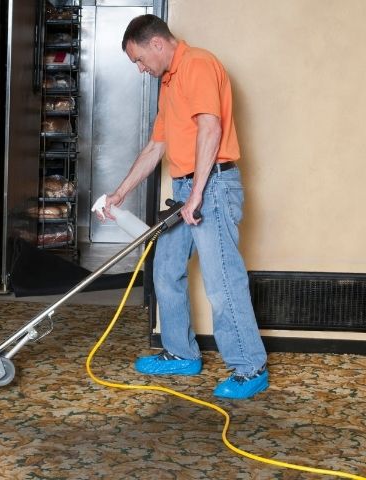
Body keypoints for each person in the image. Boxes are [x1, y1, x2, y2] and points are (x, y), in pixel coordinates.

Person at [98, 14, 268, 399]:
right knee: (167, 267)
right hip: (186, 186)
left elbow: (212, 127)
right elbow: (157, 146)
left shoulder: (198, 65)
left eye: (139, 60)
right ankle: (180, 354)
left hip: (213, 186)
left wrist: (196, 196)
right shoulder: (170, 82)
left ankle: (250, 367)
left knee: (222, 279)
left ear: (156, 44)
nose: (141, 69)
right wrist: (120, 191)